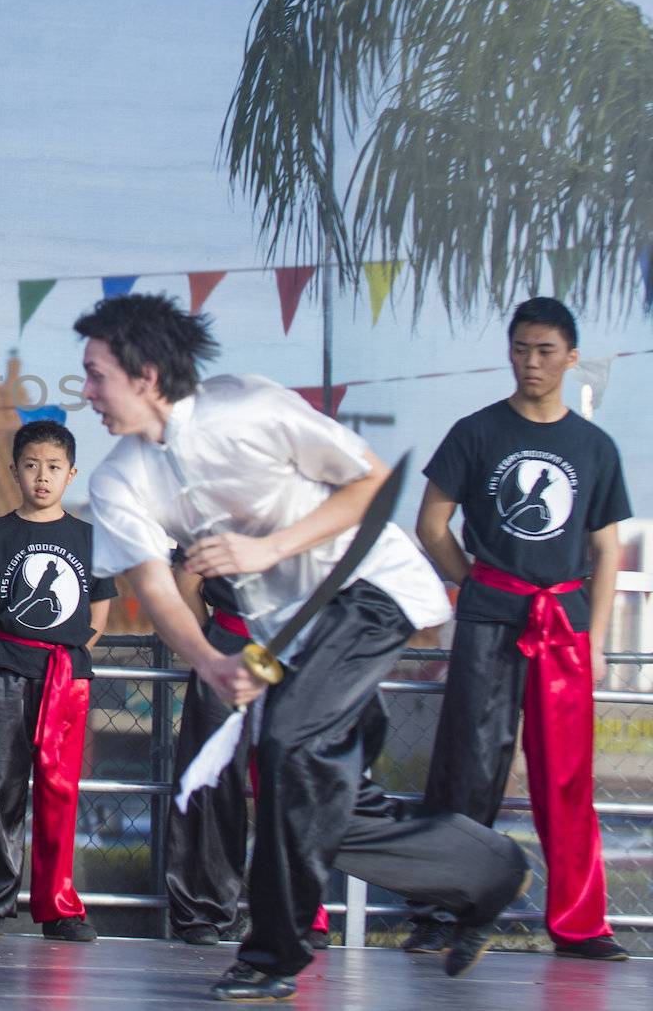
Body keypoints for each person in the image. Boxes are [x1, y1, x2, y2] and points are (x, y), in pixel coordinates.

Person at [76, 293, 530, 1002]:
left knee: (288, 746)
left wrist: (267, 549)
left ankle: (271, 957)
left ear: (147, 373)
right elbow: (157, 589)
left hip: (366, 589)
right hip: (286, 638)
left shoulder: (250, 408)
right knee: (321, 802)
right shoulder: (118, 478)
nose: (86, 393)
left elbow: (372, 484)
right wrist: (210, 661)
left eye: (97, 374)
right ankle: (488, 874)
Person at [405, 298, 630, 962]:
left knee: (566, 777)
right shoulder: (477, 432)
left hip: (563, 624)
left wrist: (595, 633)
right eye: (522, 349)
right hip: (489, 617)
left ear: (571, 357)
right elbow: (431, 525)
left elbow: (608, 548)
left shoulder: (594, 447)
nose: (532, 363)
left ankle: (580, 923)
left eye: (546, 351)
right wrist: (473, 580)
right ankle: (441, 912)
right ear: (509, 351)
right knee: (467, 770)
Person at [0, 420, 111, 943]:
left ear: (70, 475)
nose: (41, 477)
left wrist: (74, 655)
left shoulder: (89, 538)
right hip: (8, 672)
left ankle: (60, 908)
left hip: (66, 677)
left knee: (59, 792)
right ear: (14, 471)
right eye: (30, 466)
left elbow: (101, 606)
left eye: (52, 468)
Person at [165, 565, 329, 950]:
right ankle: (204, 909)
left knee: (294, 779)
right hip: (229, 646)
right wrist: (212, 642)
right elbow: (186, 583)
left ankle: (297, 910)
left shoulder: (311, 506)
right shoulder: (211, 506)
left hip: (298, 652)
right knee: (212, 779)